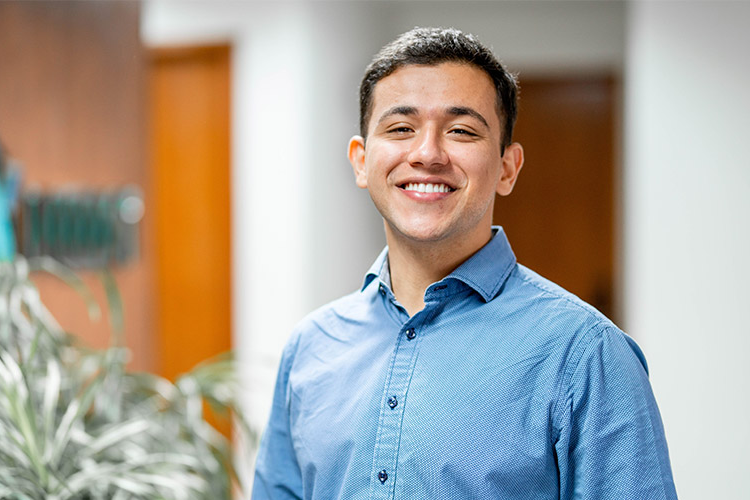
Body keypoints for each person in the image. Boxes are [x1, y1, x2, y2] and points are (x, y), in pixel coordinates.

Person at [252, 27, 677, 499]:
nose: (428, 153)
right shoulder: (310, 348)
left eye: (461, 131)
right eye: (400, 128)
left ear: (507, 168)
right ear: (361, 160)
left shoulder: (587, 355)